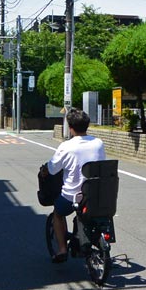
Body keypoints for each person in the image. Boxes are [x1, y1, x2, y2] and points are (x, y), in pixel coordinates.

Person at [45, 108, 105, 263]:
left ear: (70, 128)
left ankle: (62, 249)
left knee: (58, 214)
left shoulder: (66, 146)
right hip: (95, 194)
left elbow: (52, 169)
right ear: (87, 125)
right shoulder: (98, 143)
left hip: (72, 196)